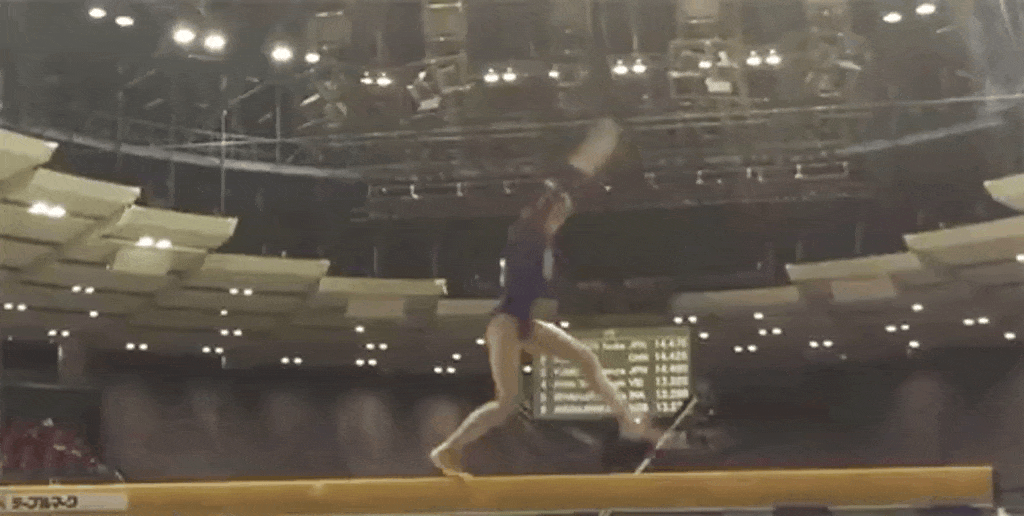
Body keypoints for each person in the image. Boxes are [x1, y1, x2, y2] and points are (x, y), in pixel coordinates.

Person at [430, 119, 656, 476]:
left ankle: (627, 419)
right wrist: (601, 144)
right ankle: (448, 449)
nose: (564, 216)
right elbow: (562, 185)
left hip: (523, 323)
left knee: (585, 359)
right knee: (507, 402)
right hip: (506, 323)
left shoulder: (544, 243)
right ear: (548, 212)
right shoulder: (529, 236)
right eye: (561, 211)